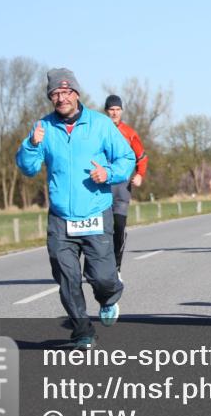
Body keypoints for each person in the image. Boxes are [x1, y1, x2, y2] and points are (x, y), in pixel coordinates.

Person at [16, 69, 134, 349]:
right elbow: (27, 168)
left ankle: (109, 296)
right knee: (66, 277)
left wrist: (108, 173)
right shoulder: (43, 128)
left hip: (96, 211)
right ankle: (82, 330)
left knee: (102, 277)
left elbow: (126, 158)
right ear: (50, 97)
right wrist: (32, 145)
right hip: (60, 218)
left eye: (66, 92)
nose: (61, 98)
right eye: (55, 93)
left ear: (76, 94)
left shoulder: (101, 125)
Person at [104, 95, 149, 276]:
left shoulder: (129, 133)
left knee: (119, 227)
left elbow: (142, 156)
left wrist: (139, 174)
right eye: (111, 110)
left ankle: (116, 268)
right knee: (98, 231)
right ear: (106, 111)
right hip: (100, 188)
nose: (114, 113)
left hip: (121, 187)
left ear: (121, 111)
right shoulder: (98, 130)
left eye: (117, 109)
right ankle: (96, 266)